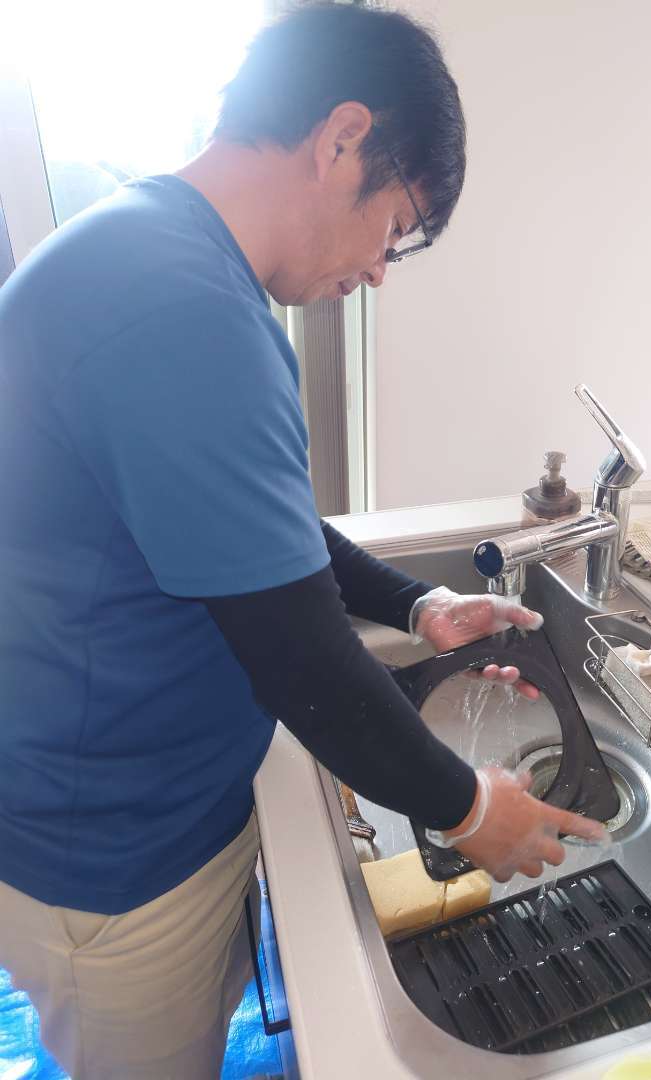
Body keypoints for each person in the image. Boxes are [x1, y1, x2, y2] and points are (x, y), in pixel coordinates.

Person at [0, 4, 603, 1077]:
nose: (380, 270)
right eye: (399, 228)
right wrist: (472, 810)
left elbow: (259, 529)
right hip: (117, 856)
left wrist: (416, 605)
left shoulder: (152, 253)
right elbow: (303, 662)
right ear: (342, 140)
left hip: (128, 802)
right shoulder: (185, 315)